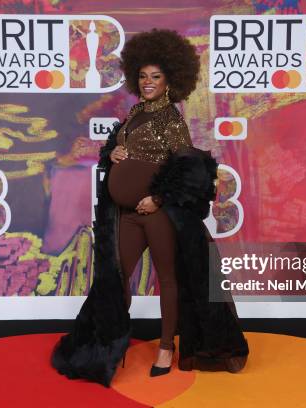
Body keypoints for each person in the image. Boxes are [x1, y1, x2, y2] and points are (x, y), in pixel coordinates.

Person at [52, 28, 249, 387]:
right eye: (142, 76)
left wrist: (157, 198)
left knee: (169, 280)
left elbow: (191, 170)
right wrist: (113, 153)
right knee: (114, 279)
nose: (147, 83)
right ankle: (110, 343)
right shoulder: (136, 113)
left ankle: (165, 347)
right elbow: (120, 155)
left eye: (155, 77)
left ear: (171, 79)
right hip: (126, 215)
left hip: (157, 215)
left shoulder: (172, 121)